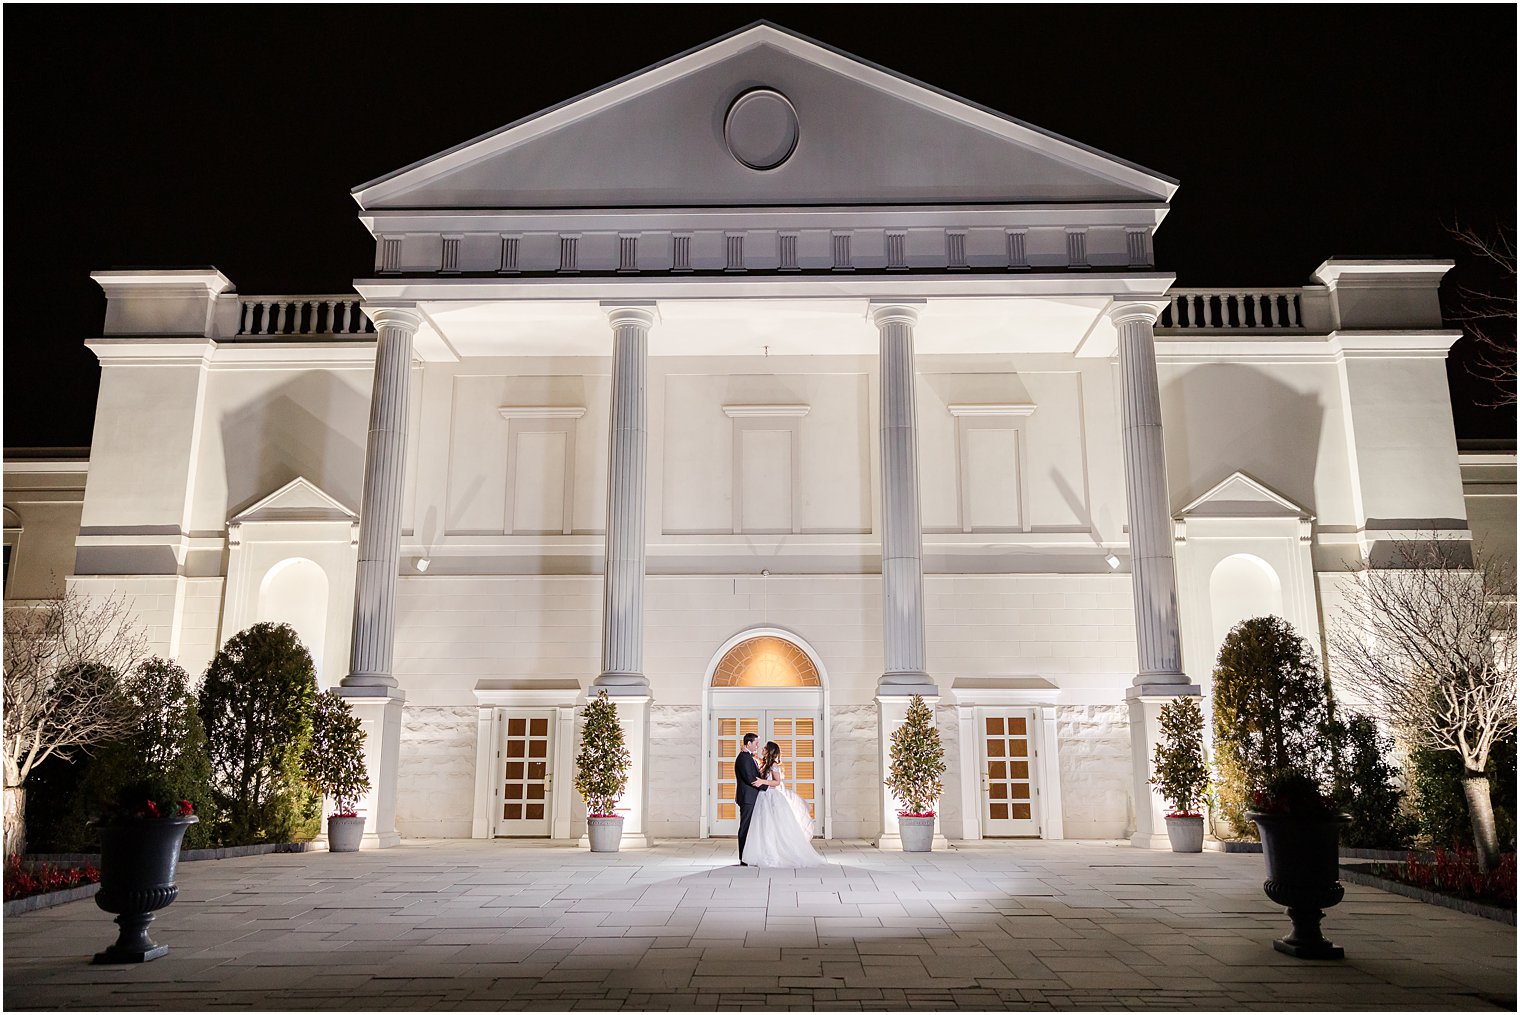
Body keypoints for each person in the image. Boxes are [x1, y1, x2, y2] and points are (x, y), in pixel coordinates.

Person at [743, 740, 828, 868]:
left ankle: (776, 853)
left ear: (769, 751)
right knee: (764, 825)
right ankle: (764, 851)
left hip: (771, 796)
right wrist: (752, 754)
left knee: (773, 825)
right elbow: (760, 761)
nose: (762, 749)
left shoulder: (774, 766)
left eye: (764, 748)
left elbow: (777, 782)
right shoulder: (766, 763)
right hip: (763, 797)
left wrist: (762, 782)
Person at [734, 732, 768, 865]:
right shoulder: (743, 758)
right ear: (748, 743)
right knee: (745, 827)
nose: (757, 746)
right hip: (748, 798)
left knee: (751, 827)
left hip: (752, 797)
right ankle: (743, 858)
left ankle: (749, 855)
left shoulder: (749, 756)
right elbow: (750, 778)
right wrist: (767, 787)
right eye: (756, 743)